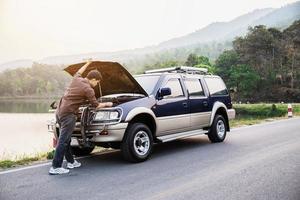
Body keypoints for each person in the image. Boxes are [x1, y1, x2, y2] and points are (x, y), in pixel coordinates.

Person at [49, 61, 113, 175]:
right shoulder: (88, 89)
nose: (97, 84)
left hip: (59, 112)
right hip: (68, 115)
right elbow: (97, 105)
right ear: (93, 79)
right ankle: (55, 166)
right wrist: (108, 104)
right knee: (63, 141)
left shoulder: (77, 79)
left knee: (66, 139)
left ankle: (71, 162)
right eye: (97, 82)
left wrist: (88, 63)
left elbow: (79, 71)